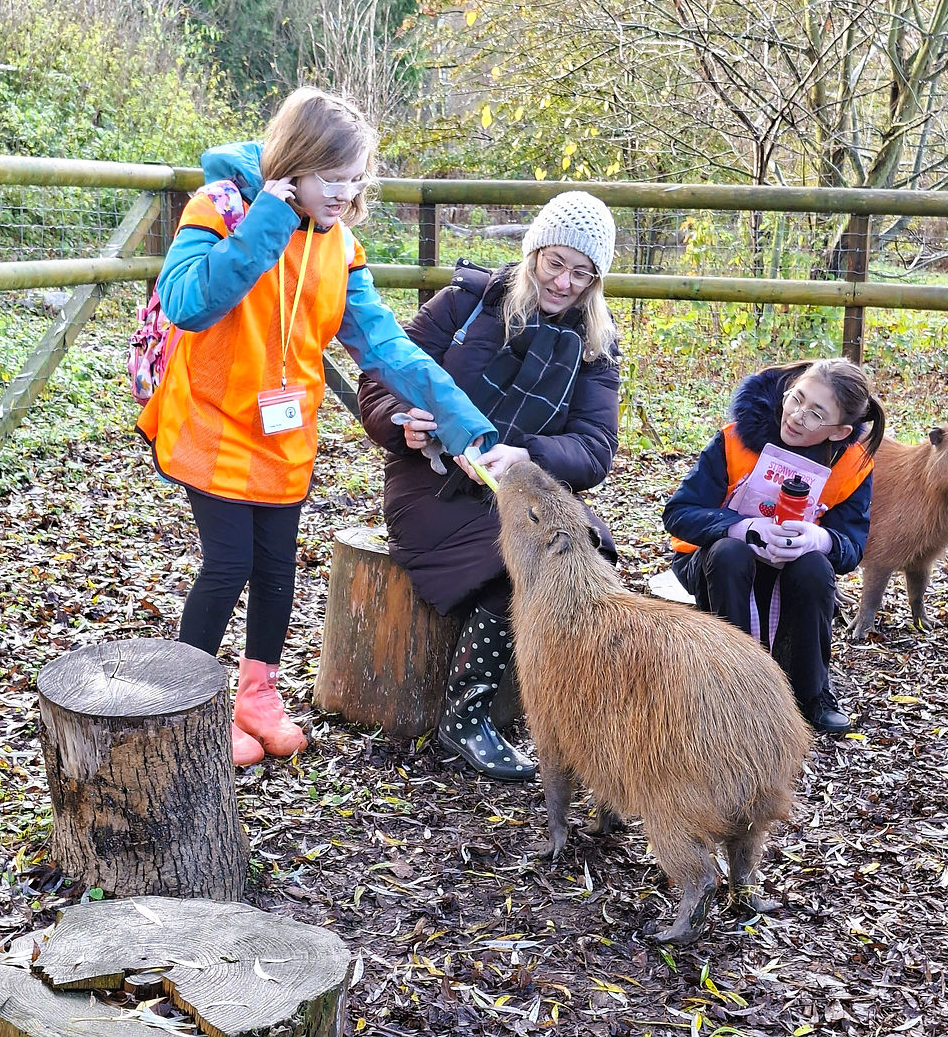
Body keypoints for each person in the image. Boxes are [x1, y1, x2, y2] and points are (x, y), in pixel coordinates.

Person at [137, 87, 497, 767]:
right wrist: (269, 219)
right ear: (293, 165)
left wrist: (468, 427)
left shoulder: (342, 246)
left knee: (276, 569)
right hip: (211, 423)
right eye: (333, 179)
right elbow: (188, 302)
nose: (344, 194)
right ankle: (186, 703)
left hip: (284, 431)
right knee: (229, 564)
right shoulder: (218, 208)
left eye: (356, 179)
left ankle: (258, 696)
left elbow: (387, 347)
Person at [358, 191, 621, 781]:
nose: (563, 283)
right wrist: (402, 420)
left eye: (582, 273)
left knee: (587, 555)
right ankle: (466, 715)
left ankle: (570, 710)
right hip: (432, 483)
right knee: (515, 564)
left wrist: (529, 454)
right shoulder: (463, 305)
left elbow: (596, 448)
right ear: (533, 253)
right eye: (556, 263)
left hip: (524, 487)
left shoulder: (597, 347)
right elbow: (381, 374)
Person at [662, 357, 886, 735]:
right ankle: (733, 686)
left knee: (817, 566)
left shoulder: (852, 465)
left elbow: (851, 547)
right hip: (714, 561)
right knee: (730, 554)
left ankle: (813, 692)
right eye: (796, 399)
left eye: (816, 414)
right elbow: (679, 513)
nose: (798, 415)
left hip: (790, 567)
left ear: (839, 431)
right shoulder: (735, 439)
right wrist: (741, 527)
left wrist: (820, 538)